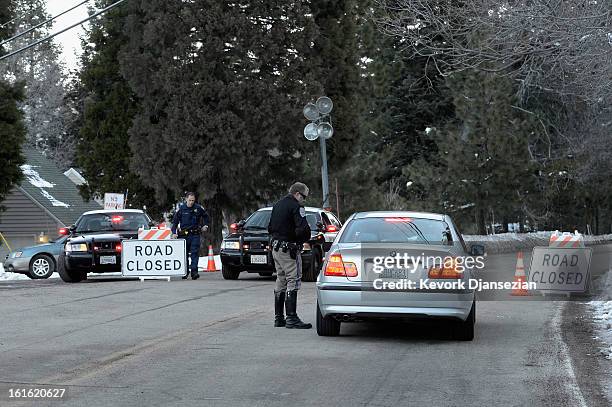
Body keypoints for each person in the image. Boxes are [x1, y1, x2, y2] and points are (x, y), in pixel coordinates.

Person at [268, 182, 312, 329]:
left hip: (276, 247)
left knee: (281, 279)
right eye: (303, 197)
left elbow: (270, 227)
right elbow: (302, 228)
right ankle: (291, 318)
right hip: (288, 249)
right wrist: (302, 240)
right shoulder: (296, 206)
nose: (304, 200)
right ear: (298, 194)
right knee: (293, 279)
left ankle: (279, 317)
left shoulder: (278, 204)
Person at [171, 192, 210, 280]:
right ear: (186, 199)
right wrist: (174, 232)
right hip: (183, 235)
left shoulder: (198, 208)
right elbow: (175, 222)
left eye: (193, 200)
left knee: (194, 253)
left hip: (195, 234)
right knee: (184, 255)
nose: (191, 202)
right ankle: (185, 272)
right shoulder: (181, 209)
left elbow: (206, 217)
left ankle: (194, 272)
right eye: (190, 200)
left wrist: (206, 225)